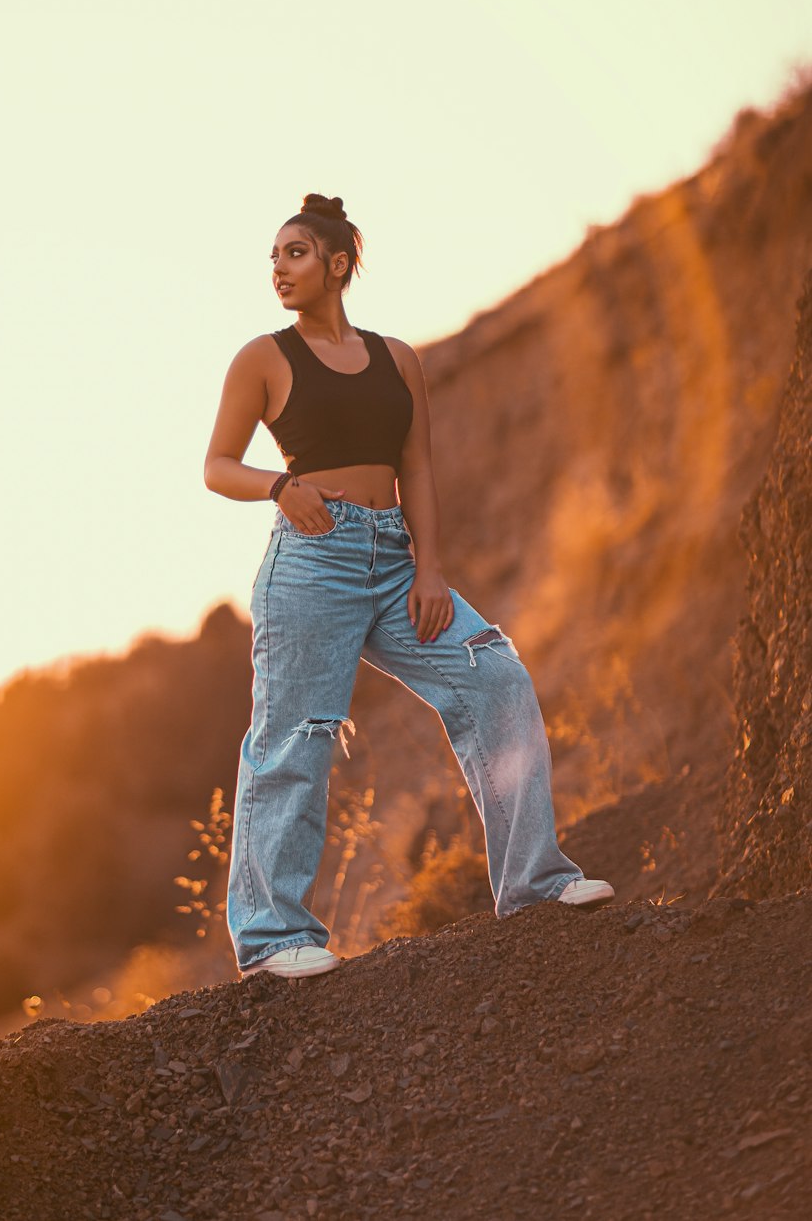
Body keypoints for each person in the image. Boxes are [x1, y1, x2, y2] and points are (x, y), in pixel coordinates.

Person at [203, 193, 613, 980]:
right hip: (311, 561)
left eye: (294, 254)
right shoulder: (264, 357)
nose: (279, 270)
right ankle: (270, 939)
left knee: (495, 677)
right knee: (296, 737)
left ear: (338, 263)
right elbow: (216, 465)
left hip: (395, 562)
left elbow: (417, 465)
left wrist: (430, 566)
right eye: (274, 259)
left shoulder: (397, 358)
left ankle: (534, 884)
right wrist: (280, 488)